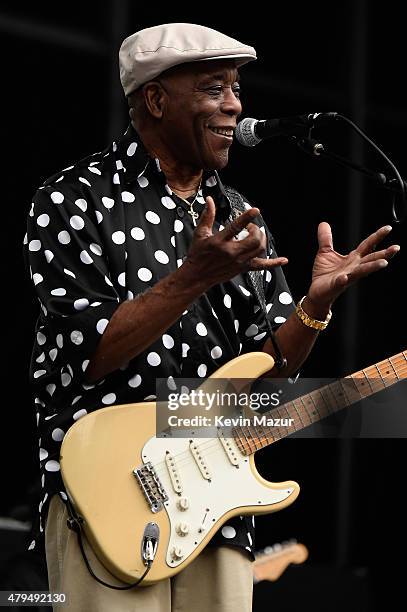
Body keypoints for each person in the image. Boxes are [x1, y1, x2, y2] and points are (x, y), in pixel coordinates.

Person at [24, 22, 400, 612]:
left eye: (236, 88)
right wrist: (191, 278)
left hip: (217, 506)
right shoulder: (75, 198)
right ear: (155, 99)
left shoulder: (238, 214)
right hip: (107, 495)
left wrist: (314, 306)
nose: (235, 106)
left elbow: (267, 380)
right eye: (213, 88)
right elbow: (88, 355)